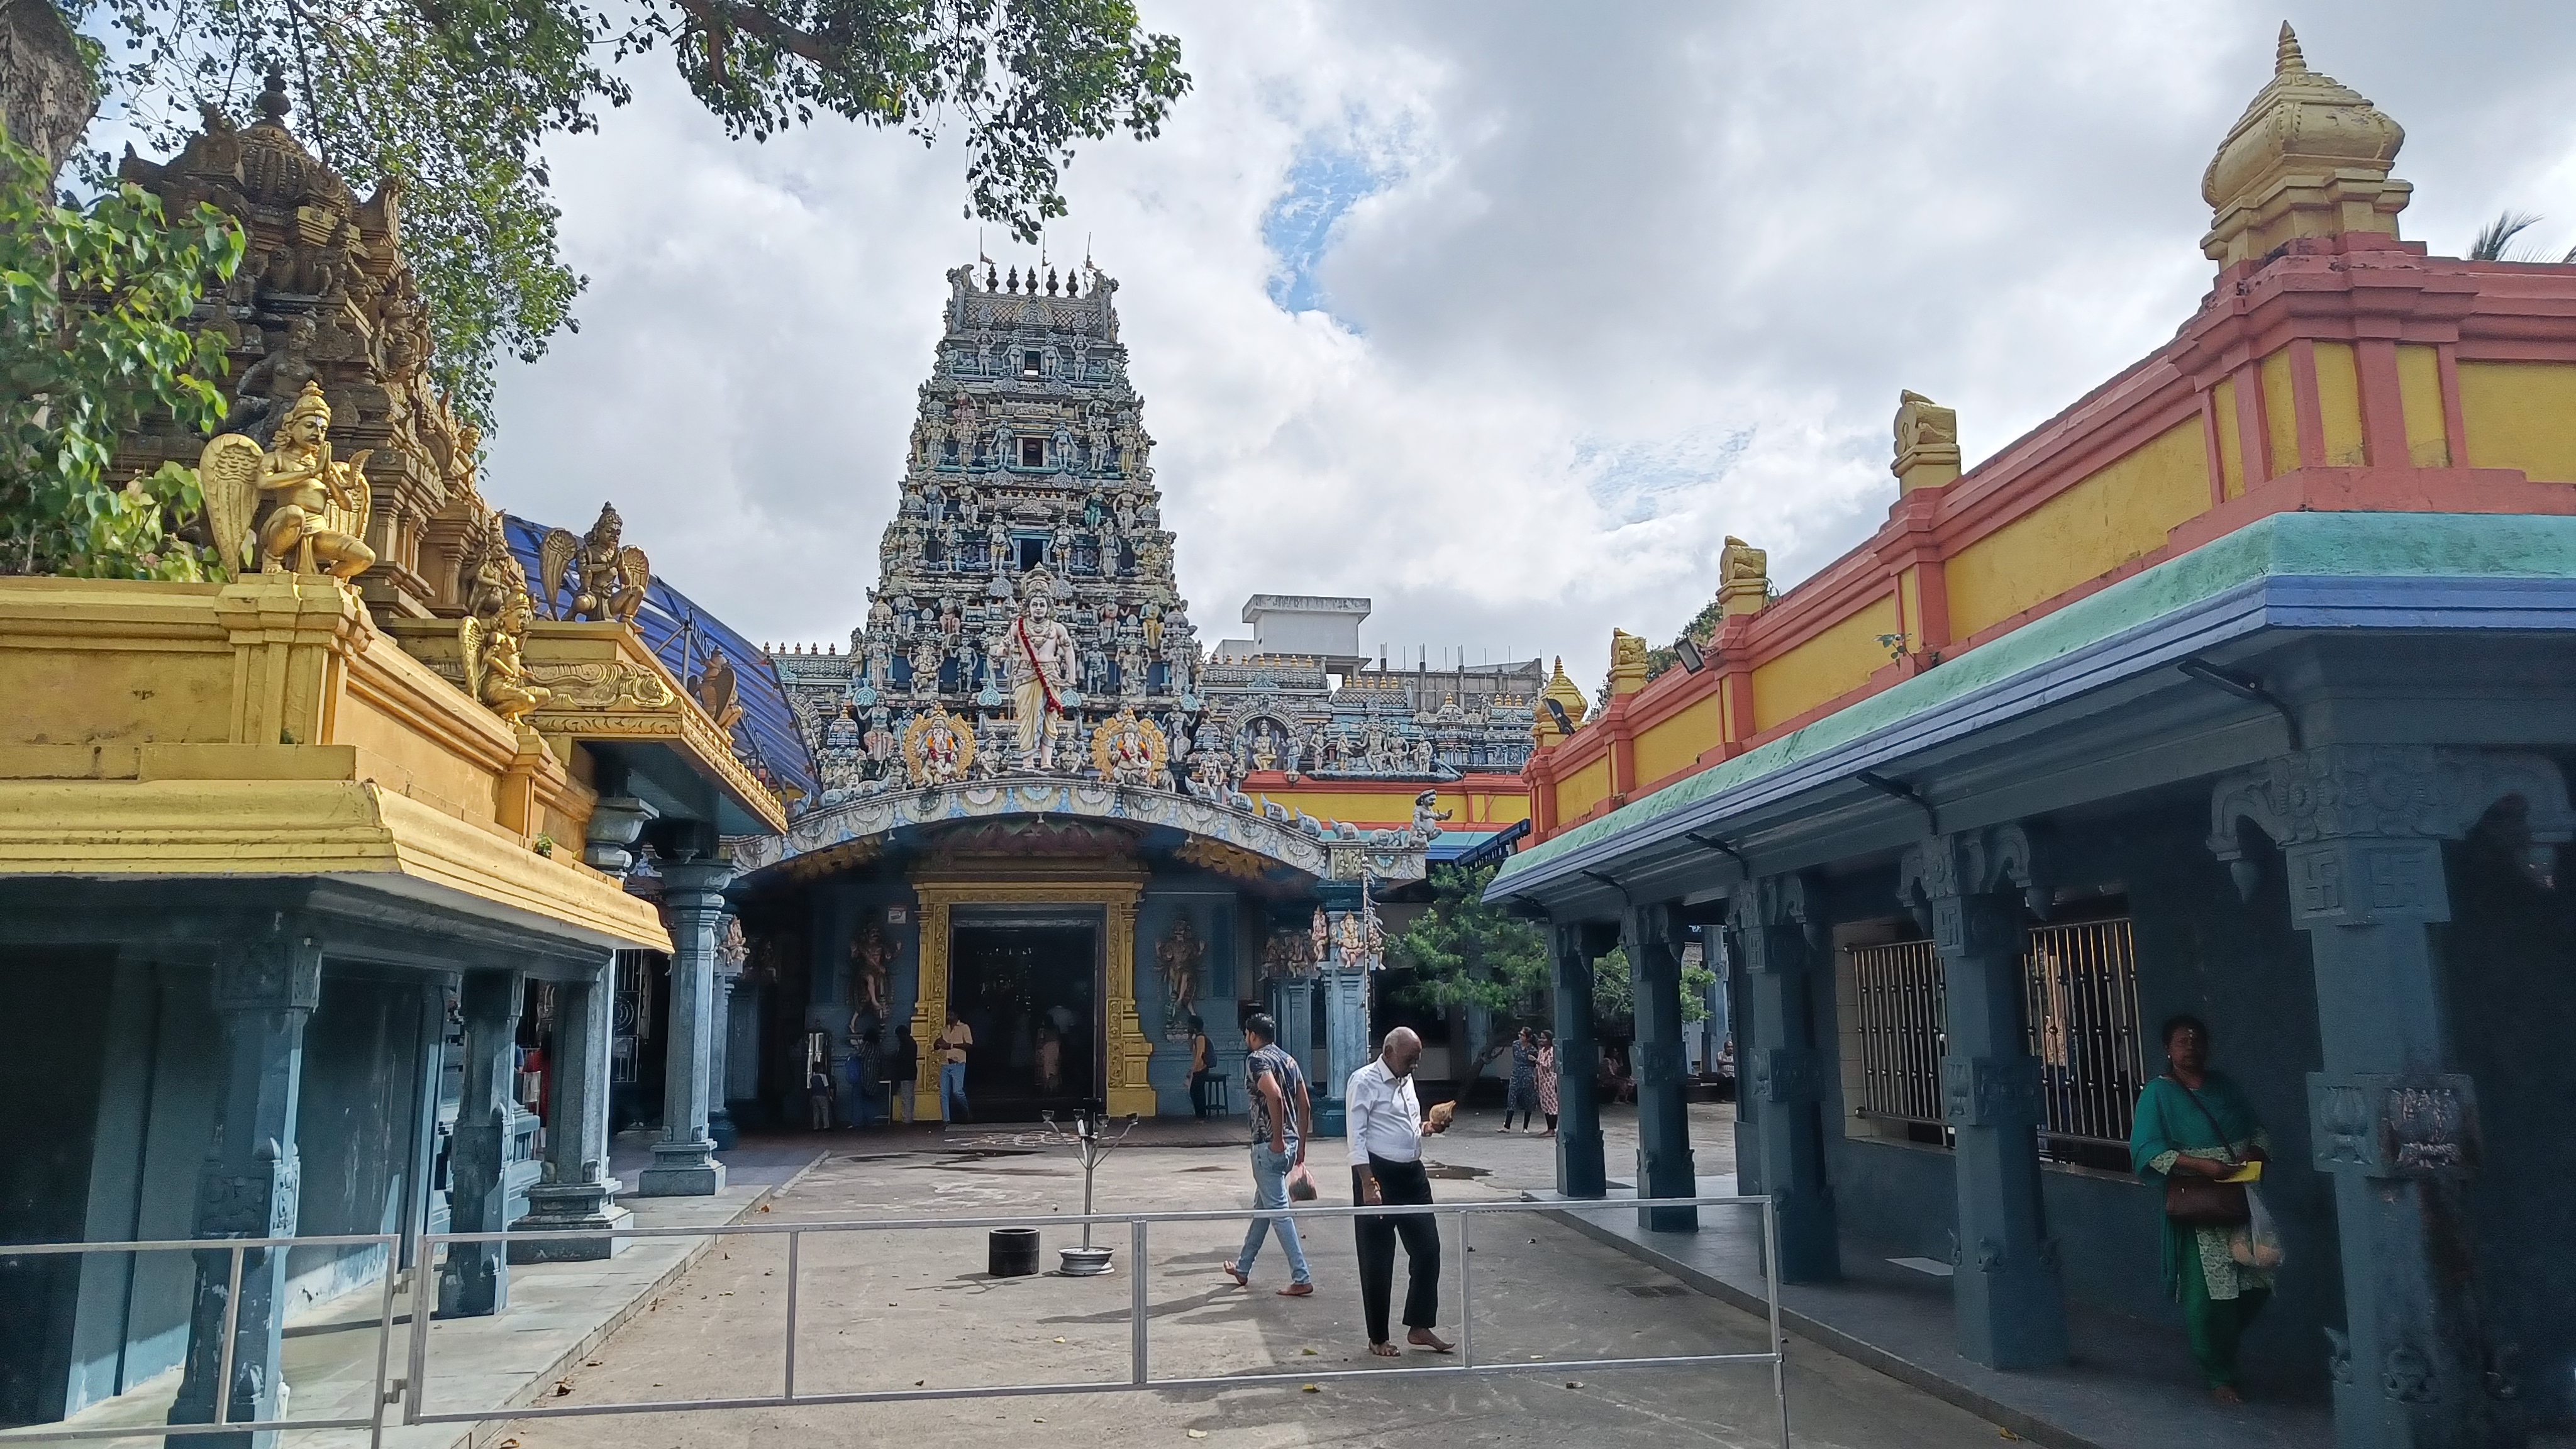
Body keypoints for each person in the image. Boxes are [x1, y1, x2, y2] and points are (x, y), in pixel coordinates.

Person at [2131, 1014, 2272, 1404]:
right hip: (2199, 1204)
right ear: (2167, 1049)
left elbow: (2258, 1129)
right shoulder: (2158, 1094)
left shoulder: (2225, 1087)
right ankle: (2218, 1373)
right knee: (2209, 1295)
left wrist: (2253, 1153)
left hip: (2240, 1197)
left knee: (2258, 1282)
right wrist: (2200, 1165)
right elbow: (2145, 1149)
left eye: (2197, 1040)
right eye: (2181, 1041)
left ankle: (2223, 1345)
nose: (2190, 1047)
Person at [1348, 1026, 1455, 1357]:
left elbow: (1406, 1125)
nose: (1416, 1065)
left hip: (1413, 1176)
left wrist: (1429, 1127)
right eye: (1411, 1058)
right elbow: (1357, 1137)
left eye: (1418, 1058)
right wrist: (1368, 1183)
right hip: (1378, 1174)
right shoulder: (1364, 1081)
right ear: (1389, 1052)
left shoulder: (1405, 1079)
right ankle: (1378, 1337)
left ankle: (1420, 1326)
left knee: (1428, 1249)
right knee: (1378, 1258)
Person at [1223, 1013, 1314, 1297]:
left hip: (1268, 1145)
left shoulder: (1257, 1060)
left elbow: (1273, 1096)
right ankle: (1243, 1267)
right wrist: (1299, 1145)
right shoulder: (1289, 1060)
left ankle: (1302, 1276)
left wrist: (1275, 1138)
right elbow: (1305, 1105)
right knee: (1264, 1209)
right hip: (1288, 1146)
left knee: (1279, 1213)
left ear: (1252, 1034)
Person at [934, 1009, 974, 1123]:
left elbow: (969, 1045)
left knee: (957, 1091)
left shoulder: (964, 1027)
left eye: (951, 1014)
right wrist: (938, 1043)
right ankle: (946, 1119)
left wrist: (950, 1046)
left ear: (957, 1015)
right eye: (947, 1014)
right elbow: (937, 1046)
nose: (948, 1017)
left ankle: (967, 1110)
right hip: (945, 1063)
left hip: (958, 1063)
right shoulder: (944, 1029)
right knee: (944, 1094)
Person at [1501, 1027, 1540, 1132]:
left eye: (1523, 1035)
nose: (1520, 1036)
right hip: (1516, 1074)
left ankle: (1525, 1127)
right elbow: (1515, 1057)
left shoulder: (1532, 1049)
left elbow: (1535, 1063)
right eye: (1520, 1034)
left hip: (1527, 1075)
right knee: (1512, 1098)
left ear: (1528, 1038)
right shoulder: (1516, 1045)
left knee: (1528, 1100)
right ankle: (1507, 1125)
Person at [882, 1024, 917, 1125]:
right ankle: (908, 1117)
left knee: (906, 1097)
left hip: (906, 1073)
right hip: (911, 1073)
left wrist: (892, 1058)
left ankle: (907, 1119)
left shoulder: (907, 1044)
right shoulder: (912, 1043)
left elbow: (902, 1058)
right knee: (909, 1096)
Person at [1187, 1016, 1214, 1118]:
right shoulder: (1196, 1038)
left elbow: (1199, 1054)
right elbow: (1192, 1049)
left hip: (1201, 1068)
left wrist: (1193, 1069)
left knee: (1197, 1092)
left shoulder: (1200, 1038)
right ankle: (1200, 1115)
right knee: (1196, 1091)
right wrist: (1190, 1037)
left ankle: (1201, 1115)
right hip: (1199, 1068)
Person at [1535, 1030, 1560, 1136]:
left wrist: (1537, 1061)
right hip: (1542, 1080)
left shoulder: (1551, 1051)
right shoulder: (1541, 1051)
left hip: (1550, 1080)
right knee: (1545, 1104)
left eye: (1544, 1038)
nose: (1542, 1040)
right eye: (1541, 1038)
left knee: (1552, 1104)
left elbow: (1548, 1065)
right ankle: (1549, 1127)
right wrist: (1535, 1079)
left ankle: (1552, 1129)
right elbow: (1538, 1067)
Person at [805, 1061, 833, 1131]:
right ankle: (826, 1126)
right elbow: (826, 1087)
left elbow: (811, 1088)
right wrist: (829, 1096)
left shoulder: (813, 1078)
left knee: (816, 1112)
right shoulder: (823, 1076)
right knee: (825, 1111)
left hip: (814, 1096)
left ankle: (816, 1127)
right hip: (822, 1096)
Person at [1035, 1025, 1062, 1095]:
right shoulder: (1056, 1030)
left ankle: (1050, 1086)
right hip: (1055, 1048)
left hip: (1048, 1049)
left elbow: (1041, 1041)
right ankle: (1053, 1086)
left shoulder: (1043, 1030)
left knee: (1048, 1067)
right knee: (1054, 1067)